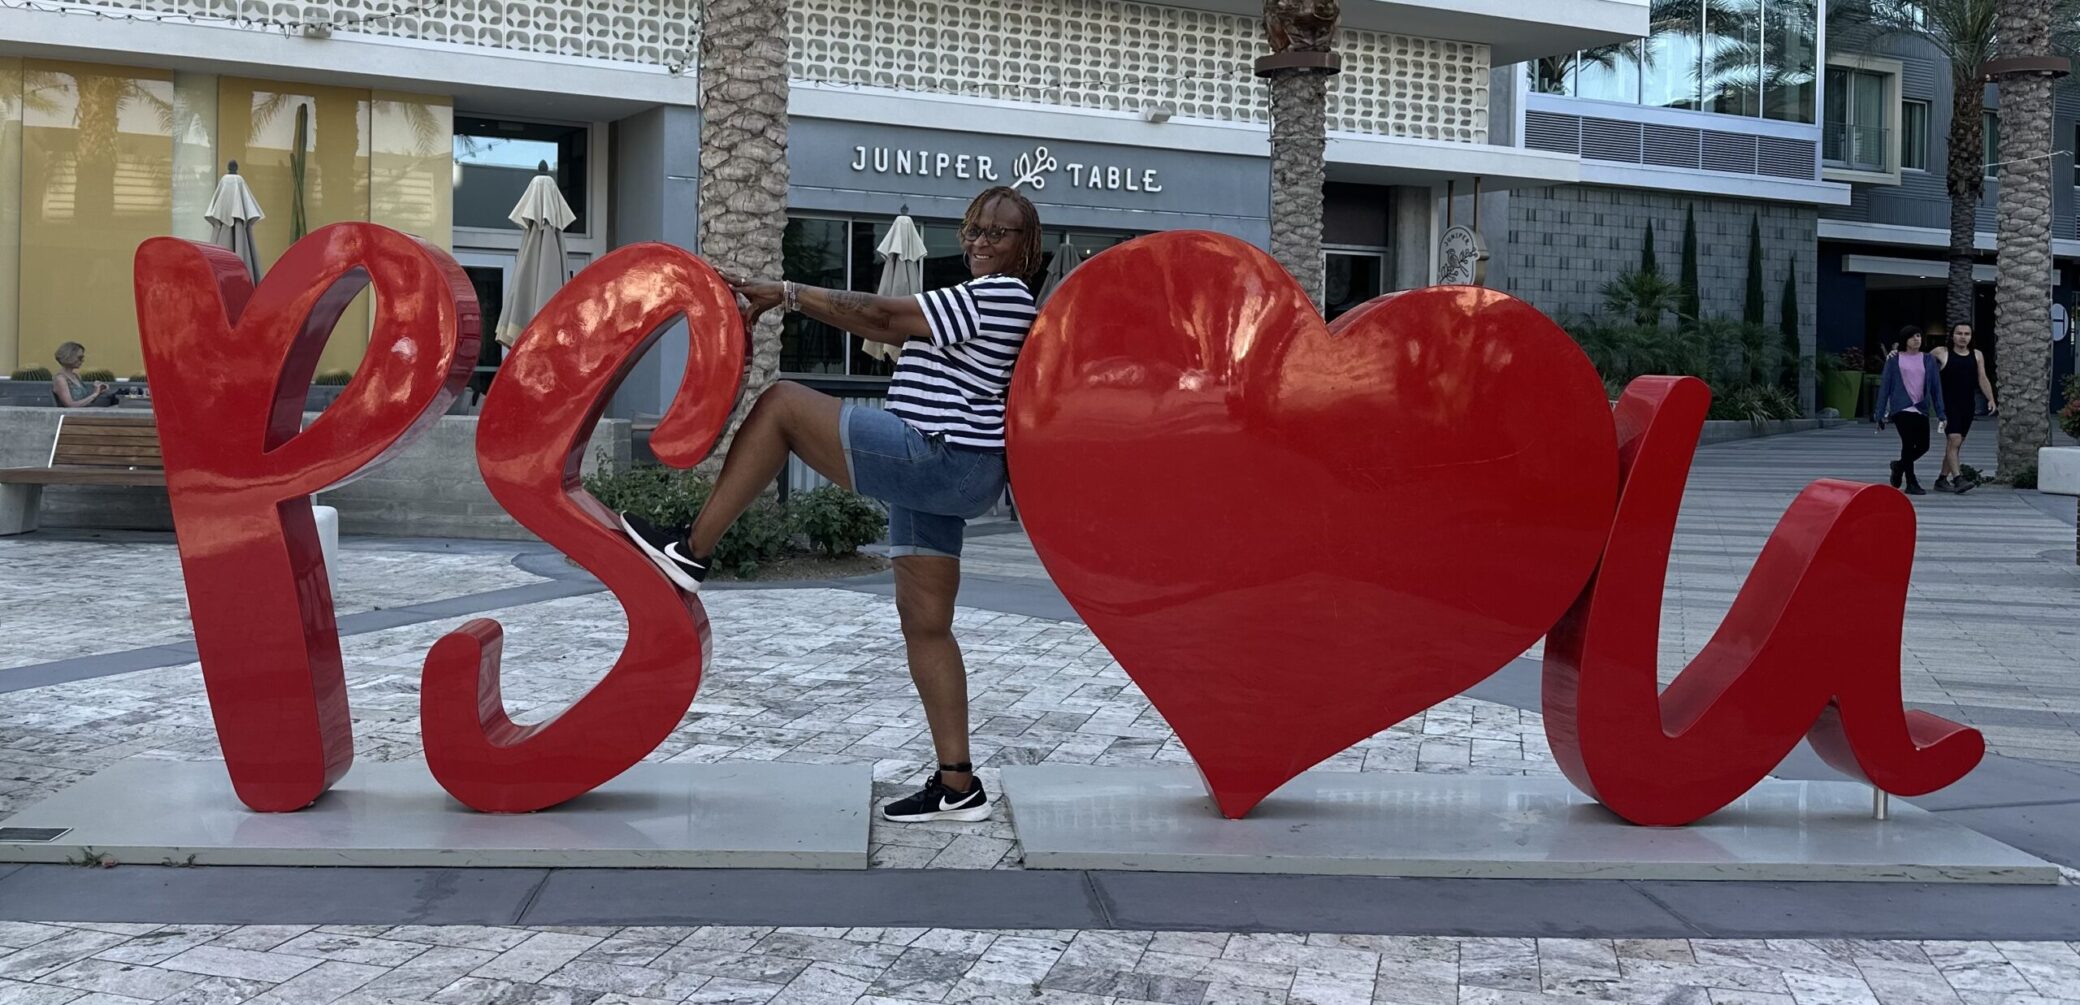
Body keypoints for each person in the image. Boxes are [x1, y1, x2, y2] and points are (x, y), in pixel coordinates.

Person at [616, 187, 1042, 824]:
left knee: (783, 405)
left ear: (1025, 248)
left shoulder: (1001, 295)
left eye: (999, 233)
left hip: (940, 456)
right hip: (946, 471)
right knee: (925, 624)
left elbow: (880, 319)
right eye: (974, 229)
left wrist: (784, 292)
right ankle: (959, 786)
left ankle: (690, 550)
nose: (981, 242)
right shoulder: (976, 298)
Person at [1875, 326, 1946, 495]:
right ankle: (1911, 482)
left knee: (1924, 445)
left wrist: (1941, 413)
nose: (1917, 339)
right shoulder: (1894, 359)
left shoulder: (1928, 359)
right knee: (1907, 443)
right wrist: (1879, 414)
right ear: (1904, 340)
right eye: (1913, 336)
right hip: (1901, 408)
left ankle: (1899, 466)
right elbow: (1885, 386)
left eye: (1919, 336)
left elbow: (1936, 388)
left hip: (1921, 408)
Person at [1931, 322, 1997, 493]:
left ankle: (1941, 479)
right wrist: (1898, 352)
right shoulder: (1941, 352)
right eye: (1959, 333)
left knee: (1955, 444)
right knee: (1954, 440)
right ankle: (1958, 479)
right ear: (1952, 335)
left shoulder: (1977, 355)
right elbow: (1917, 361)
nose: (1963, 337)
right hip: (1947, 404)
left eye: (1966, 334)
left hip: (1967, 405)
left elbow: (1982, 377)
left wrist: (1990, 398)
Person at [49, 342, 115, 408]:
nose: (82, 360)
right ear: (69, 357)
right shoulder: (61, 379)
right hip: (71, 416)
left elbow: (84, 401)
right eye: (80, 358)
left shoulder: (75, 376)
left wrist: (97, 390)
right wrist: (95, 394)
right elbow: (70, 405)